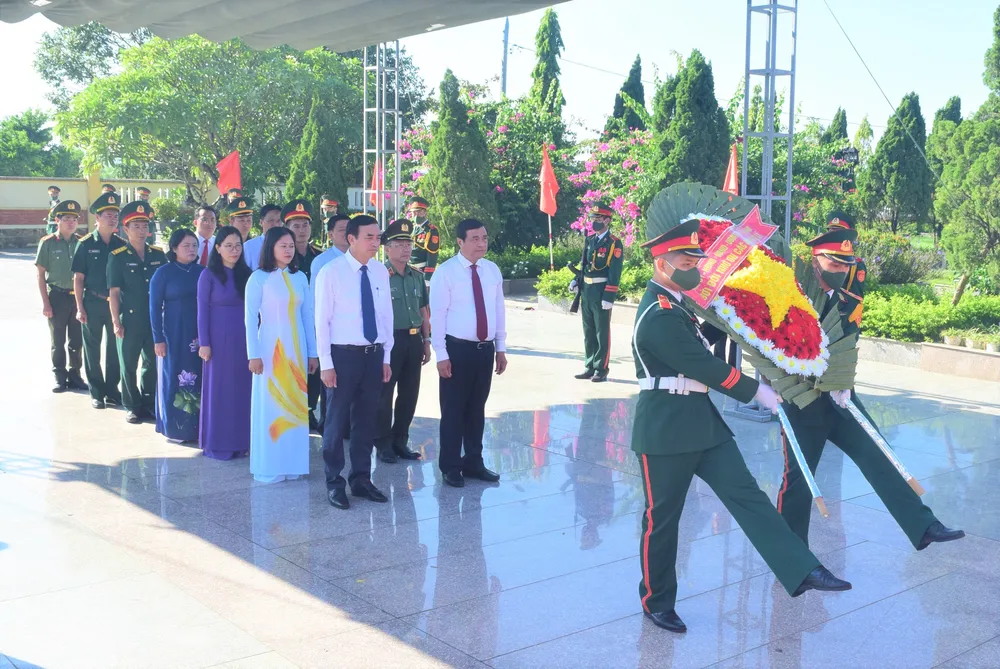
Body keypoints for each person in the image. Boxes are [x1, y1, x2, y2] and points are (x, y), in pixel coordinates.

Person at [631, 216, 851, 634]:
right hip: (664, 430)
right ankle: (656, 600)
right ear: (662, 264)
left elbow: (709, 348)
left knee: (748, 497)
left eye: (697, 257)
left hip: (702, 425)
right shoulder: (658, 314)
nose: (695, 266)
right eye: (686, 259)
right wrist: (756, 392)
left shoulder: (679, 308)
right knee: (663, 519)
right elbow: (701, 365)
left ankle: (800, 569)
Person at [776, 227, 965, 553]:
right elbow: (769, 342)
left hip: (839, 397)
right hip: (801, 400)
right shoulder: (790, 296)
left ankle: (922, 525)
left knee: (878, 453)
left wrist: (845, 384)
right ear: (814, 260)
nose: (841, 271)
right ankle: (793, 556)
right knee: (800, 480)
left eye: (845, 265)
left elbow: (848, 346)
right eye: (834, 264)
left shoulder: (849, 301)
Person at [314, 214, 394, 509]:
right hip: (342, 356)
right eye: (369, 237)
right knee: (335, 422)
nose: (376, 243)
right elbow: (321, 320)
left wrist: (386, 355)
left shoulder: (378, 272)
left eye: (378, 237)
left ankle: (361, 478)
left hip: (372, 355)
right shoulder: (331, 272)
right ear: (351, 239)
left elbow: (386, 315)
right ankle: (334, 482)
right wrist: (325, 362)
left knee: (365, 420)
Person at [430, 218, 507, 488]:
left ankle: (473, 461)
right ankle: (450, 465)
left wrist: (501, 348)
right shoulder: (446, 272)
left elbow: (499, 310)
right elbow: (437, 316)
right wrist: (440, 353)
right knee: (453, 410)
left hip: (484, 350)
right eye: (474, 239)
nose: (481, 243)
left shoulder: (491, 270)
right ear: (460, 242)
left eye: (484, 238)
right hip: (457, 350)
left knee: (477, 408)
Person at [245, 225, 318, 483]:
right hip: (269, 350)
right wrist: (253, 354)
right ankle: (270, 465)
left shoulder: (300, 278)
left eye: (290, 246)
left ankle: (292, 464)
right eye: (282, 246)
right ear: (270, 248)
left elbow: (307, 316)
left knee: (295, 405)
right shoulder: (258, 279)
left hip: (296, 351)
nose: (288, 250)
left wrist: (313, 352)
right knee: (272, 404)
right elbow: (250, 318)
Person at [108, 201, 168, 424]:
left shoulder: (158, 255)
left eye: (145, 226)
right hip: (130, 319)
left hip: (153, 319)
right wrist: (116, 320)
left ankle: (149, 400)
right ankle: (131, 405)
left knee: (151, 363)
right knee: (129, 363)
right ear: (126, 229)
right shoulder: (118, 256)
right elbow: (114, 292)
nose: (142, 231)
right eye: (137, 226)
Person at [376, 219, 430, 463]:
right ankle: (383, 442)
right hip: (390, 341)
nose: (406, 249)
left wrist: (426, 341)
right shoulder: (379, 275)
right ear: (387, 248)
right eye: (399, 244)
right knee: (384, 394)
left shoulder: (416, 276)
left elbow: (424, 311)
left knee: (409, 394)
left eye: (408, 244)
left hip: (413, 339)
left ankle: (400, 440)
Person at [198, 225, 253, 460]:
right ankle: (218, 443)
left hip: (245, 339)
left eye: (238, 245)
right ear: (218, 248)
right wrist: (204, 343)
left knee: (242, 390)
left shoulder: (248, 274)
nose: (234, 250)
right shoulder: (208, 275)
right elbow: (201, 311)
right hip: (218, 340)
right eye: (228, 246)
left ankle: (242, 441)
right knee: (220, 391)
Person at [72, 191, 126, 409]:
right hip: (92, 302)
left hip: (115, 305)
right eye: (108, 215)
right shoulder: (85, 244)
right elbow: (78, 278)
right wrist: (79, 307)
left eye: (115, 215)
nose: (112, 219)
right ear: (97, 218)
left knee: (115, 349)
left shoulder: (120, 244)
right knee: (92, 349)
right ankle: (96, 391)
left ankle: (112, 390)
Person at [150, 228, 204, 442]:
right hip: (172, 334)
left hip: (198, 335)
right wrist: (158, 338)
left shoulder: (202, 272)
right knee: (173, 376)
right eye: (186, 246)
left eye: (194, 245)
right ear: (174, 248)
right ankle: (174, 428)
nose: (191, 249)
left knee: (198, 376)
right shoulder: (163, 273)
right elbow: (154, 308)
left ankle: (196, 426)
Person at [35, 200, 86, 393]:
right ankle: (59, 376)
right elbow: (40, 275)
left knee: (76, 340)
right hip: (56, 296)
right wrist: (46, 303)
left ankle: (75, 375)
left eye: (74, 219)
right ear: (58, 220)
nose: (71, 223)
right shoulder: (47, 243)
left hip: (77, 298)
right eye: (67, 219)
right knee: (58, 340)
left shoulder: (81, 243)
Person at [569, 202, 623, 383]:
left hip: (601, 291)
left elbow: (615, 272)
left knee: (602, 332)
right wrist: (576, 281)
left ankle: (601, 368)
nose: (595, 222)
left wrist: (609, 296)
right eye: (593, 218)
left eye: (598, 219)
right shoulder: (590, 240)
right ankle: (590, 365)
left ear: (607, 220)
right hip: (587, 291)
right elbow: (584, 265)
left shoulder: (614, 243)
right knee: (589, 331)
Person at [284, 198, 324, 431]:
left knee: (314, 370)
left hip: (315, 322)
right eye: (296, 226)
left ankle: (309, 411)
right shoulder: (283, 257)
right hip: (290, 322)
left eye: (305, 225)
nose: (301, 230)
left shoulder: (318, 256)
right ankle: (292, 412)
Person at [406, 197, 440, 288]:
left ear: (424, 212)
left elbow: (432, 254)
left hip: (421, 270)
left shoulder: (431, 230)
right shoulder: (412, 228)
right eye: (413, 212)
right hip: (409, 269)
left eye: (418, 212)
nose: (415, 214)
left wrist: (428, 276)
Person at [244, 203, 282, 271]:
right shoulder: (248, 247)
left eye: (279, 221)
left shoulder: (287, 245)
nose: (276, 225)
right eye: (271, 221)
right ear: (261, 222)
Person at [311, 214, 350, 280]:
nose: (346, 233)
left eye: (349, 229)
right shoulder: (321, 261)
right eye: (342, 230)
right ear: (330, 235)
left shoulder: (362, 258)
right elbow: (315, 289)